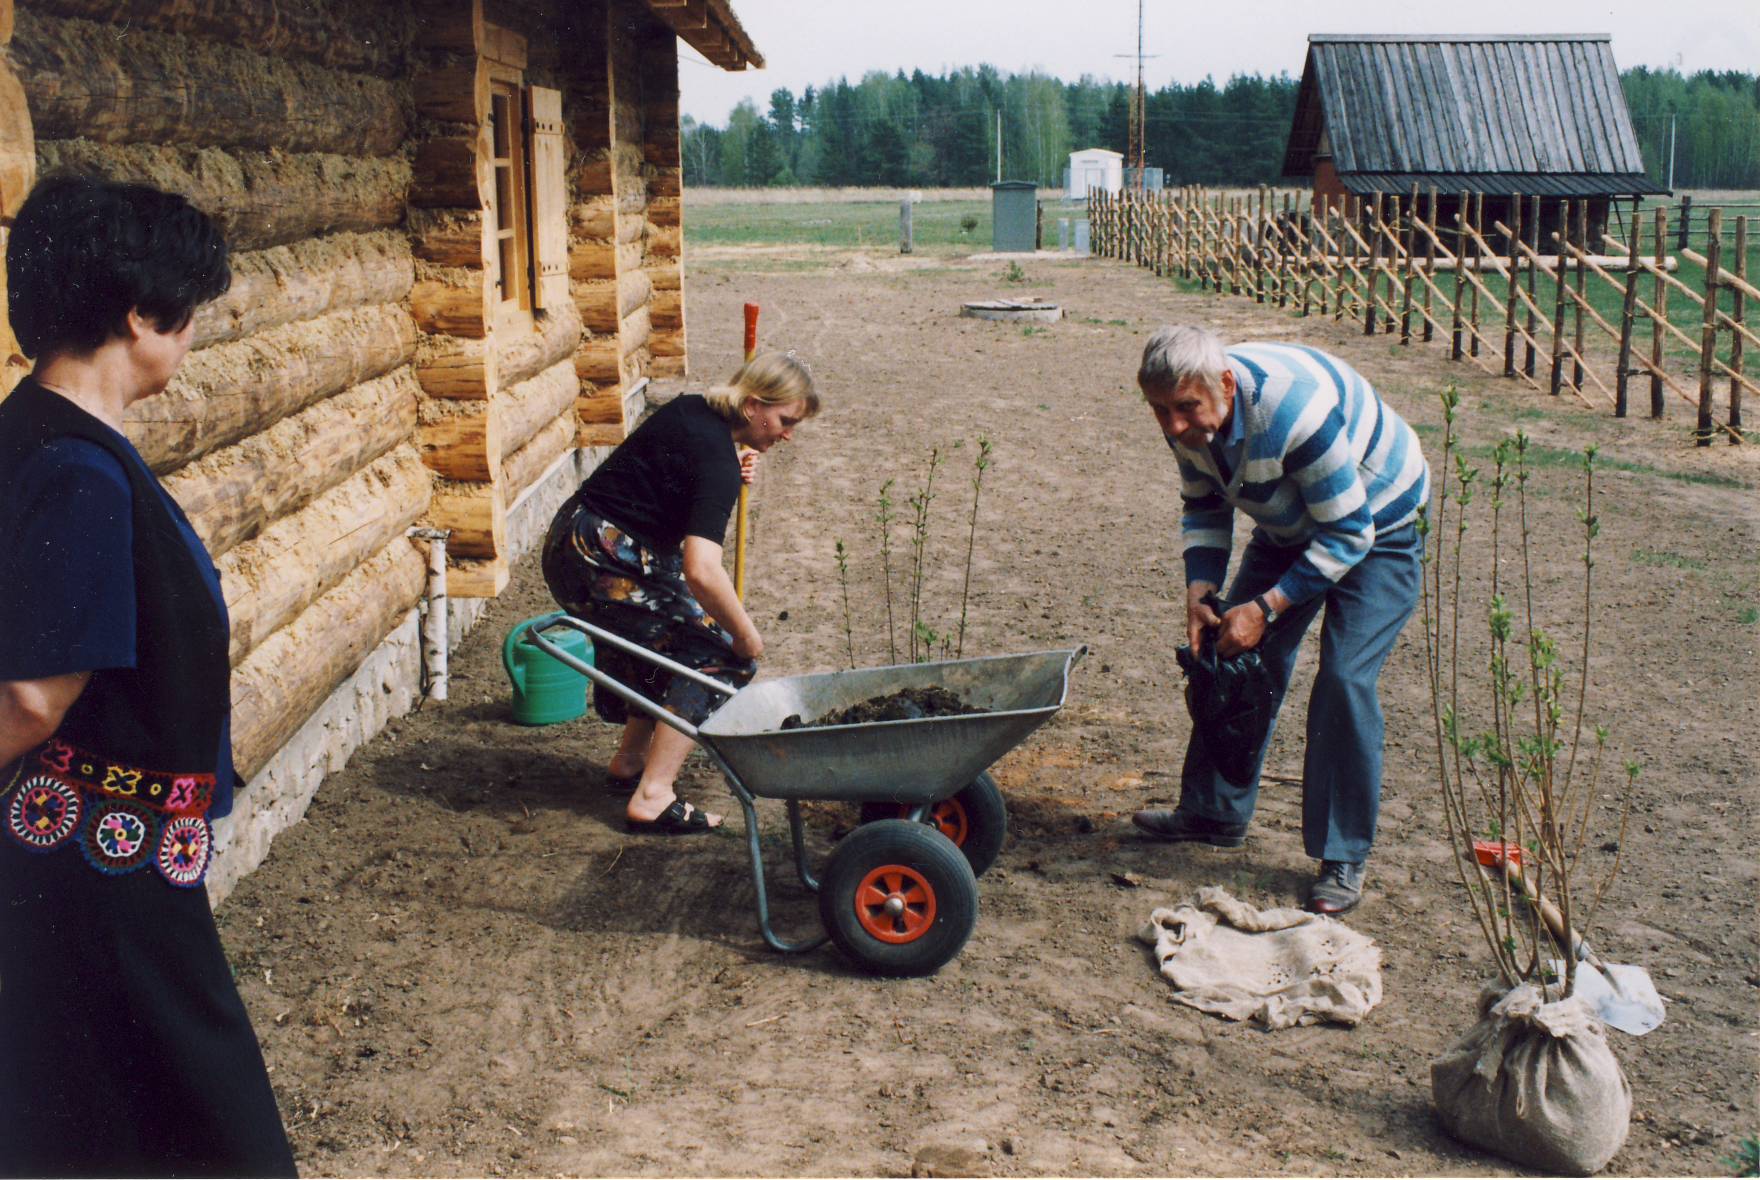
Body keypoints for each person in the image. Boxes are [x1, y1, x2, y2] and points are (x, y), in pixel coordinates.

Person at [0, 176, 296, 1174]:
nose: (191, 335)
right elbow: (31, 698)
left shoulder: (34, 435)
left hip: (93, 869)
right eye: (189, 312)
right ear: (139, 312)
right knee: (215, 1137)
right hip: (94, 884)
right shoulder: (78, 471)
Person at [1129, 325, 1430, 915]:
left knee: (1345, 678)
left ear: (1224, 383)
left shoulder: (1293, 411)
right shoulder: (1189, 414)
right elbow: (1205, 502)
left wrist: (1266, 608)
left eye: (1184, 409)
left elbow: (1350, 533)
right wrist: (1203, 591)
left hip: (1379, 523)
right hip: (1292, 519)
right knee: (1230, 655)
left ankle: (1342, 853)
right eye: (1159, 411)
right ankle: (1213, 812)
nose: (1173, 427)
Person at [542, 351, 819, 834]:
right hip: (599, 559)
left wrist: (732, 461)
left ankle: (631, 761)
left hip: (575, 536)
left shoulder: (695, 412)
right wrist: (746, 635)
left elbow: (677, 471)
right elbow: (702, 571)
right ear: (754, 404)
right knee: (720, 655)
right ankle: (653, 795)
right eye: (784, 420)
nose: (788, 434)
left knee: (674, 635)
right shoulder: (718, 461)